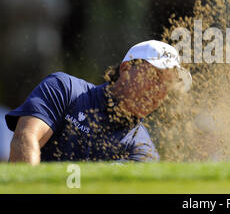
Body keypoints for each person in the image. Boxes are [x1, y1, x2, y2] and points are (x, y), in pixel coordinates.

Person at [5, 40, 192, 165]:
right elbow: (25, 138)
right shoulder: (64, 89)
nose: (160, 90)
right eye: (155, 76)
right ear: (126, 68)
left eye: (167, 84)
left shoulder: (143, 151)